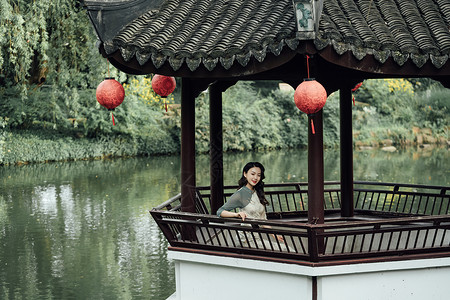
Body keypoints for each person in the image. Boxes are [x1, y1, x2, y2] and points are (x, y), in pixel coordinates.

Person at [217, 162, 285, 244]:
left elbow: (262, 220)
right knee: (285, 250)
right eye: (252, 174)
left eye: (259, 175)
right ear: (245, 174)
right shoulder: (240, 194)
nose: (255, 177)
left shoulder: (257, 192)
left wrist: (275, 235)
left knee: (286, 249)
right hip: (245, 240)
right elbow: (220, 212)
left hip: (256, 238)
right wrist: (237, 214)